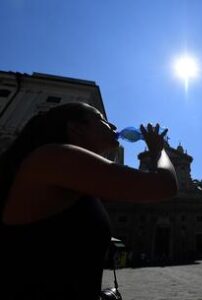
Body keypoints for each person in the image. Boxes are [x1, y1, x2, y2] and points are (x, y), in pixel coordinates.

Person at [0, 102, 178, 300]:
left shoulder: (74, 176)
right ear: (76, 128)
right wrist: (160, 150)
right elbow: (164, 185)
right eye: (102, 119)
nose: (113, 126)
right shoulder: (54, 157)